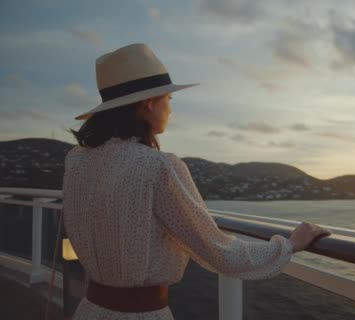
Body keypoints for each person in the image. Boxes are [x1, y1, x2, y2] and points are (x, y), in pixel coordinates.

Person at [62, 43, 331, 319]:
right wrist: (289, 245)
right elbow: (220, 252)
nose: (170, 109)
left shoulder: (77, 160)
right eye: (168, 99)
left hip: (91, 310)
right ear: (149, 104)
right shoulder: (158, 166)